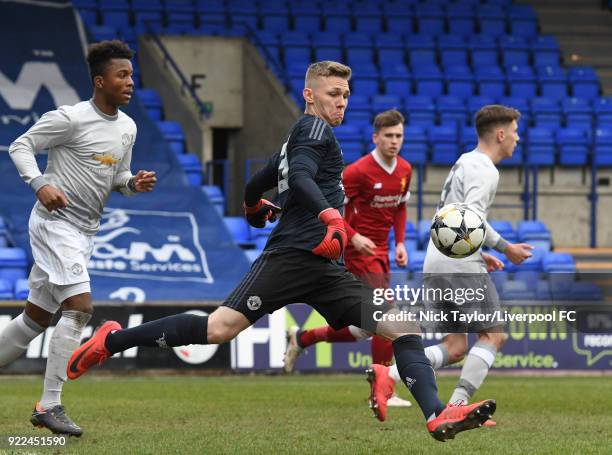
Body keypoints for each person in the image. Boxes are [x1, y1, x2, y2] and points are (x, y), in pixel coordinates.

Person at [67, 61, 496, 442]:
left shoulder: (303, 138)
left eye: (346, 94)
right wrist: (330, 215)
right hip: (292, 256)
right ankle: (113, 339)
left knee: (403, 328)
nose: (342, 101)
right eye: (333, 94)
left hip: (326, 266)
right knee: (218, 329)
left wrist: (255, 206)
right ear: (310, 95)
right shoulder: (313, 130)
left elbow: (259, 180)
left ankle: (438, 415)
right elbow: (304, 177)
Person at [0, 40, 156, 436]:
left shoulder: (127, 127)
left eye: (132, 75)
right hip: (55, 225)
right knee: (81, 307)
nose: (130, 82)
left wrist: (132, 183)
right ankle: (48, 405)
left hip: (85, 232)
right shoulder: (70, 118)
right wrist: (39, 184)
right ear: (99, 80)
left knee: (34, 319)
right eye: (122, 75)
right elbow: (21, 145)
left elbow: (117, 175)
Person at [367, 105, 533, 425]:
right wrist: (505, 247)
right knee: (493, 336)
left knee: (455, 346)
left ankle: (387, 374)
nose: (517, 137)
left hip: (438, 257)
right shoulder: (485, 169)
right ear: (500, 134)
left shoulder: (463, 162)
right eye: (514, 131)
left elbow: (448, 215)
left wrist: (476, 251)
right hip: (459, 263)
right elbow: (470, 219)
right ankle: (458, 404)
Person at [283, 109, 413, 409]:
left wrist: (402, 242)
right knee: (387, 316)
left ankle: (303, 339)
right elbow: (331, 206)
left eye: (399, 136)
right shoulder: (357, 171)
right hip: (357, 251)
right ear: (376, 137)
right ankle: (382, 391)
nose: (395, 141)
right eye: (389, 136)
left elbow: (401, 208)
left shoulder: (405, 169)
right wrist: (352, 236)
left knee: (366, 326)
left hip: (381, 251)